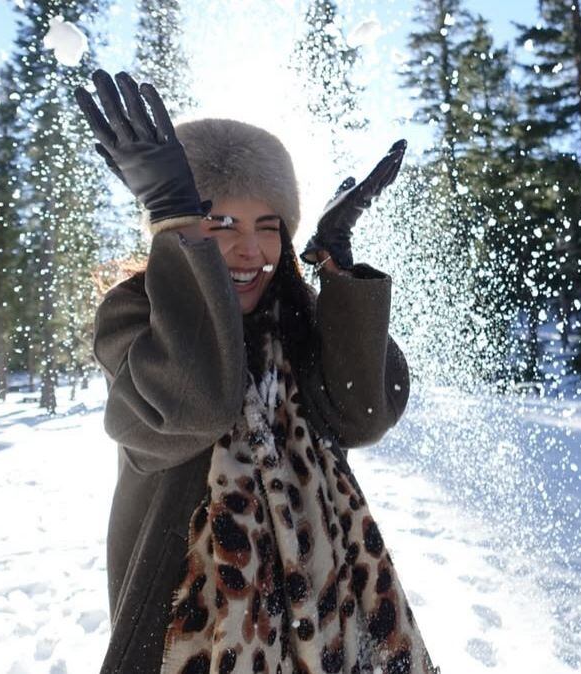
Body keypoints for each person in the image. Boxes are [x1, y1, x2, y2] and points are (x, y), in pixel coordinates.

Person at [75, 69, 439, 674]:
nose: (251, 251)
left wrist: (335, 262)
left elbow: (365, 411)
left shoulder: (295, 325)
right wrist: (172, 211)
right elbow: (199, 404)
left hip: (334, 633)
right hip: (191, 643)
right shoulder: (134, 316)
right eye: (220, 225)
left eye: (268, 226)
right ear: (179, 231)